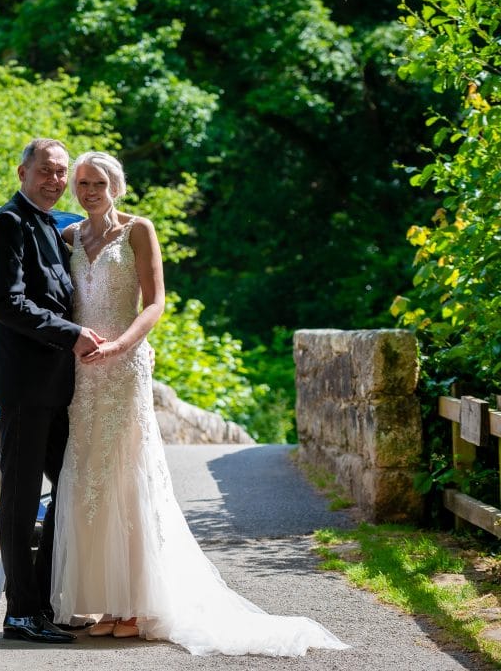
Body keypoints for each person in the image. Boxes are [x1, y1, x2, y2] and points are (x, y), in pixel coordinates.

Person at [49, 151, 350, 656]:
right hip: (83, 371)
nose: (88, 190)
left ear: (116, 185)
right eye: (81, 183)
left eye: (97, 181)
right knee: (89, 477)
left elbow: (156, 302)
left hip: (123, 368)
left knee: (127, 473)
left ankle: (137, 605)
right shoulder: (68, 237)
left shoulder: (138, 230)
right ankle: (102, 600)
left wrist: (122, 345)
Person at [0, 138, 104, 644]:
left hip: (57, 386)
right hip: (25, 385)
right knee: (21, 496)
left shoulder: (53, 227)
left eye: (61, 173)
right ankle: (20, 613)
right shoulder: (7, 223)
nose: (54, 181)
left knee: (71, 485)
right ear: (22, 172)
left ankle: (46, 598)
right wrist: (72, 335)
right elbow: (5, 303)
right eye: (46, 172)